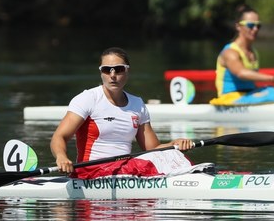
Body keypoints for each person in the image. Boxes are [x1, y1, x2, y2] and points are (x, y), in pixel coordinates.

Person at [50, 47, 198, 179]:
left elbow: (152, 150)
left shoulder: (137, 104)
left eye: (119, 69)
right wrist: (62, 157)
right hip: (91, 171)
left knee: (173, 155)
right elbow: (59, 137)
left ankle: (197, 177)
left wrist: (174, 144)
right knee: (149, 163)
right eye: (107, 70)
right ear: (101, 72)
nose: (112, 75)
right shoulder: (88, 99)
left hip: (126, 169)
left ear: (127, 71)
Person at [210, 5, 274, 105]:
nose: (255, 29)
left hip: (247, 96)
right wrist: (273, 79)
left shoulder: (253, 52)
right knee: (273, 94)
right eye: (251, 25)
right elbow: (241, 73)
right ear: (238, 26)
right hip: (229, 99)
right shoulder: (230, 52)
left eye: (258, 26)